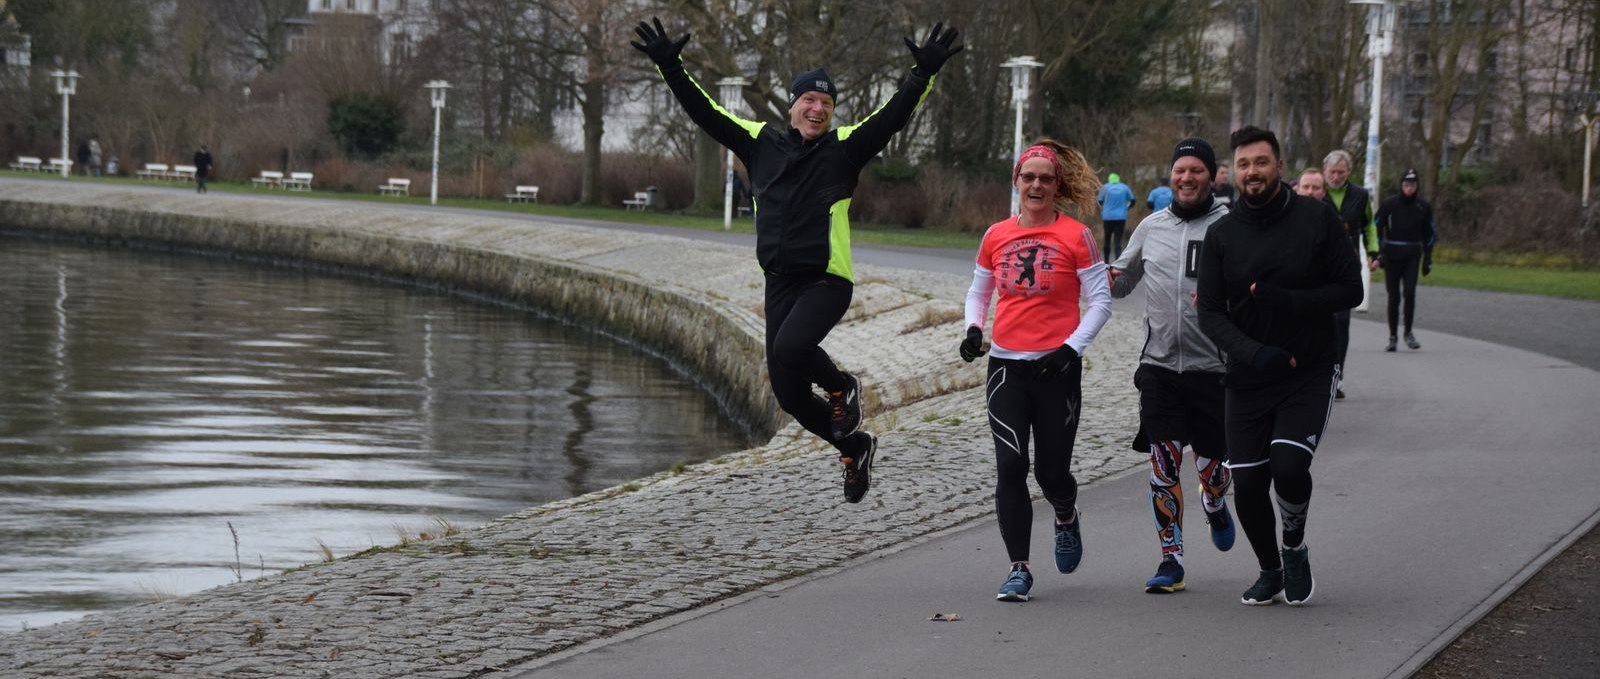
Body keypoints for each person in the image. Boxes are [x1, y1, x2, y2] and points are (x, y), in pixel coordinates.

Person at [631, 17, 963, 503]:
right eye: (810, 100)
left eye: (826, 103)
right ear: (792, 106)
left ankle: (842, 386)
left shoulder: (844, 150)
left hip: (826, 282)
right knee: (788, 396)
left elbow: (894, 114)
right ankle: (853, 446)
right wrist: (670, 66)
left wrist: (922, 75)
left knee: (790, 349)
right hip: (780, 283)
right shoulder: (758, 142)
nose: (818, 109)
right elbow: (705, 113)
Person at [1196, 126, 1362, 607]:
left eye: (1261, 162)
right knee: (1248, 486)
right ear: (1234, 172)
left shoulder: (1317, 219)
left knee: (1288, 466)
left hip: (1307, 368)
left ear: (1280, 167)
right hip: (1248, 375)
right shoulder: (1222, 233)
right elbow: (1209, 311)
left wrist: (1289, 301)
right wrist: (1252, 353)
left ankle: (1293, 546)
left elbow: (1350, 289)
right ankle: (1270, 569)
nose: (1253, 172)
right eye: (1244, 164)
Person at [960, 139, 1112, 602]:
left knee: (1051, 473)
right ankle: (1019, 569)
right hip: (1006, 367)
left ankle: (1065, 514)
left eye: (1046, 177)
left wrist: (1070, 349)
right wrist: (972, 328)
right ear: (1017, 182)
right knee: (1011, 465)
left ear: (1057, 184)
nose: (1037, 184)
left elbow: (1100, 302)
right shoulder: (995, 235)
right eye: (1029, 177)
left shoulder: (1076, 236)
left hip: (1057, 370)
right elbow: (978, 292)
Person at [1109, 138, 1236, 594]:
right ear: (1171, 175)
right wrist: (1094, 273)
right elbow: (1122, 283)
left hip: (1215, 371)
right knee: (1163, 466)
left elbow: (1253, 285)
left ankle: (1217, 501)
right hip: (1159, 367)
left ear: (1211, 175)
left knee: (1212, 470)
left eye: (1196, 170)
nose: (1186, 178)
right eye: (1180, 170)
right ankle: (1171, 559)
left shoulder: (1231, 226)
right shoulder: (1151, 226)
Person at [1320, 150, 1378, 399]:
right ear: (1324, 172)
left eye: (1340, 172)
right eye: (1331, 172)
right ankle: (1316, 375)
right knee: (1319, 321)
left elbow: (1369, 226)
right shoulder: (1315, 193)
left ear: (1348, 173)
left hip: (1346, 265)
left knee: (1341, 322)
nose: (1335, 177)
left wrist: (1373, 252)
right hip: (1317, 265)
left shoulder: (1360, 195)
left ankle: (1337, 376)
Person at [1373, 168, 1437, 351]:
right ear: (1401, 186)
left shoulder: (1423, 207)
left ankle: (1408, 332)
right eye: (1406, 185)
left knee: (1409, 293)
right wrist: (1379, 253)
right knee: (1394, 297)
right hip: (1392, 255)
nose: (1409, 188)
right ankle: (1392, 336)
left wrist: (1428, 258)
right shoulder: (1389, 204)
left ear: (1417, 187)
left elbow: (1430, 234)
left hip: (1412, 255)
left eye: (1413, 185)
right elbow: (1375, 228)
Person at [1097, 172, 1135, 262]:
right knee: (1118, 240)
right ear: (1118, 179)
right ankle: (1117, 262)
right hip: (1121, 217)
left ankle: (1106, 262)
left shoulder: (1105, 187)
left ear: (1110, 179)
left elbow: (1100, 200)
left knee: (1107, 239)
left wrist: (1105, 207)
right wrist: (1126, 208)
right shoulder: (1125, 187)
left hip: (1107, 217)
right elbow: (1133, 200)